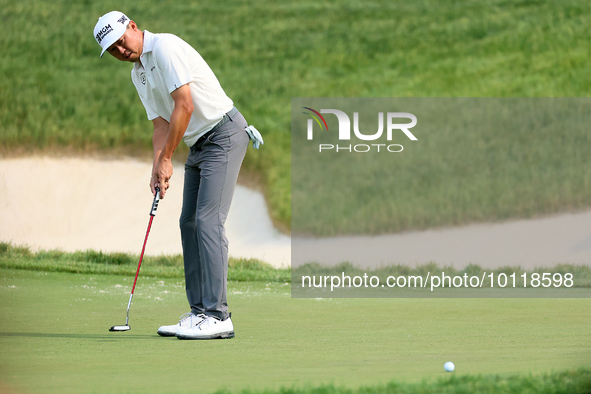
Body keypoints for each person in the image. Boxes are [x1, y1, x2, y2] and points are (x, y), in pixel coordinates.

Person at [93, 11, 263, 340]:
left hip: (224, 134)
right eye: (113, 50)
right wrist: (158, 164)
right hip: (199, 144)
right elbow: (161, 124)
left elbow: (183, 106)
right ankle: (199, 312)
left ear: (133, 26)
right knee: (189, 222)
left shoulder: (166, 48)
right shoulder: (138, 74)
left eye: (121, 41)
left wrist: (169, 157)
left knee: (207, 220)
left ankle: (218, 315)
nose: (121, 51)